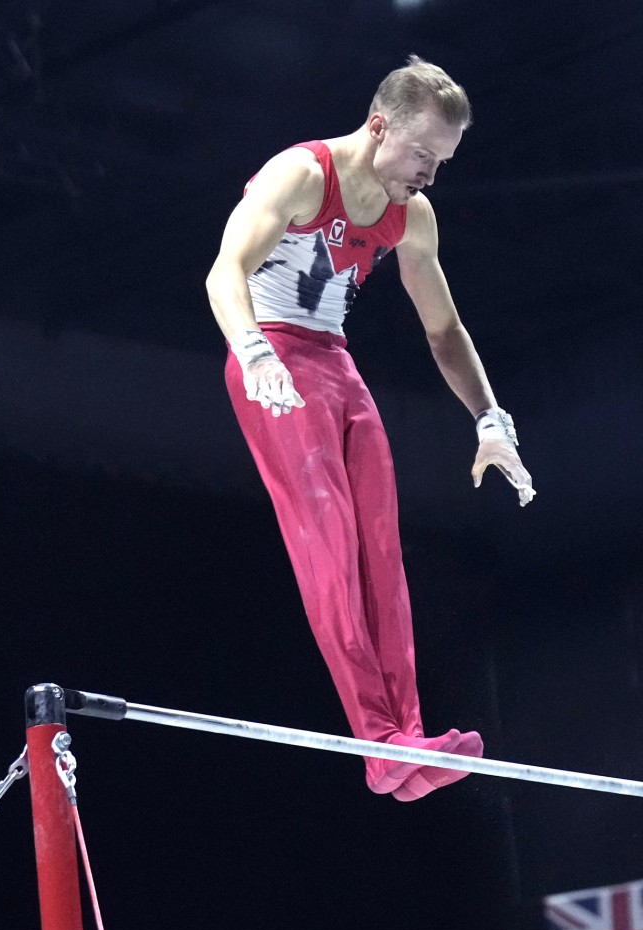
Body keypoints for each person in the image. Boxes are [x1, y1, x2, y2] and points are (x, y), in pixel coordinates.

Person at [205, 55, 533, 802]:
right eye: (423, 155)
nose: (430, 176)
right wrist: (253, 350)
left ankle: (407, 741)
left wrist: (490, 420)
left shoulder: (411, 215)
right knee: (331, 542)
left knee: (383, 552)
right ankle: (376, 741)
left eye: (442, 163)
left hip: (335, 365)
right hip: (272, 361)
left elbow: (444, 331)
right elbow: (225, 272)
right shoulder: (300, 175)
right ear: (379, 126)